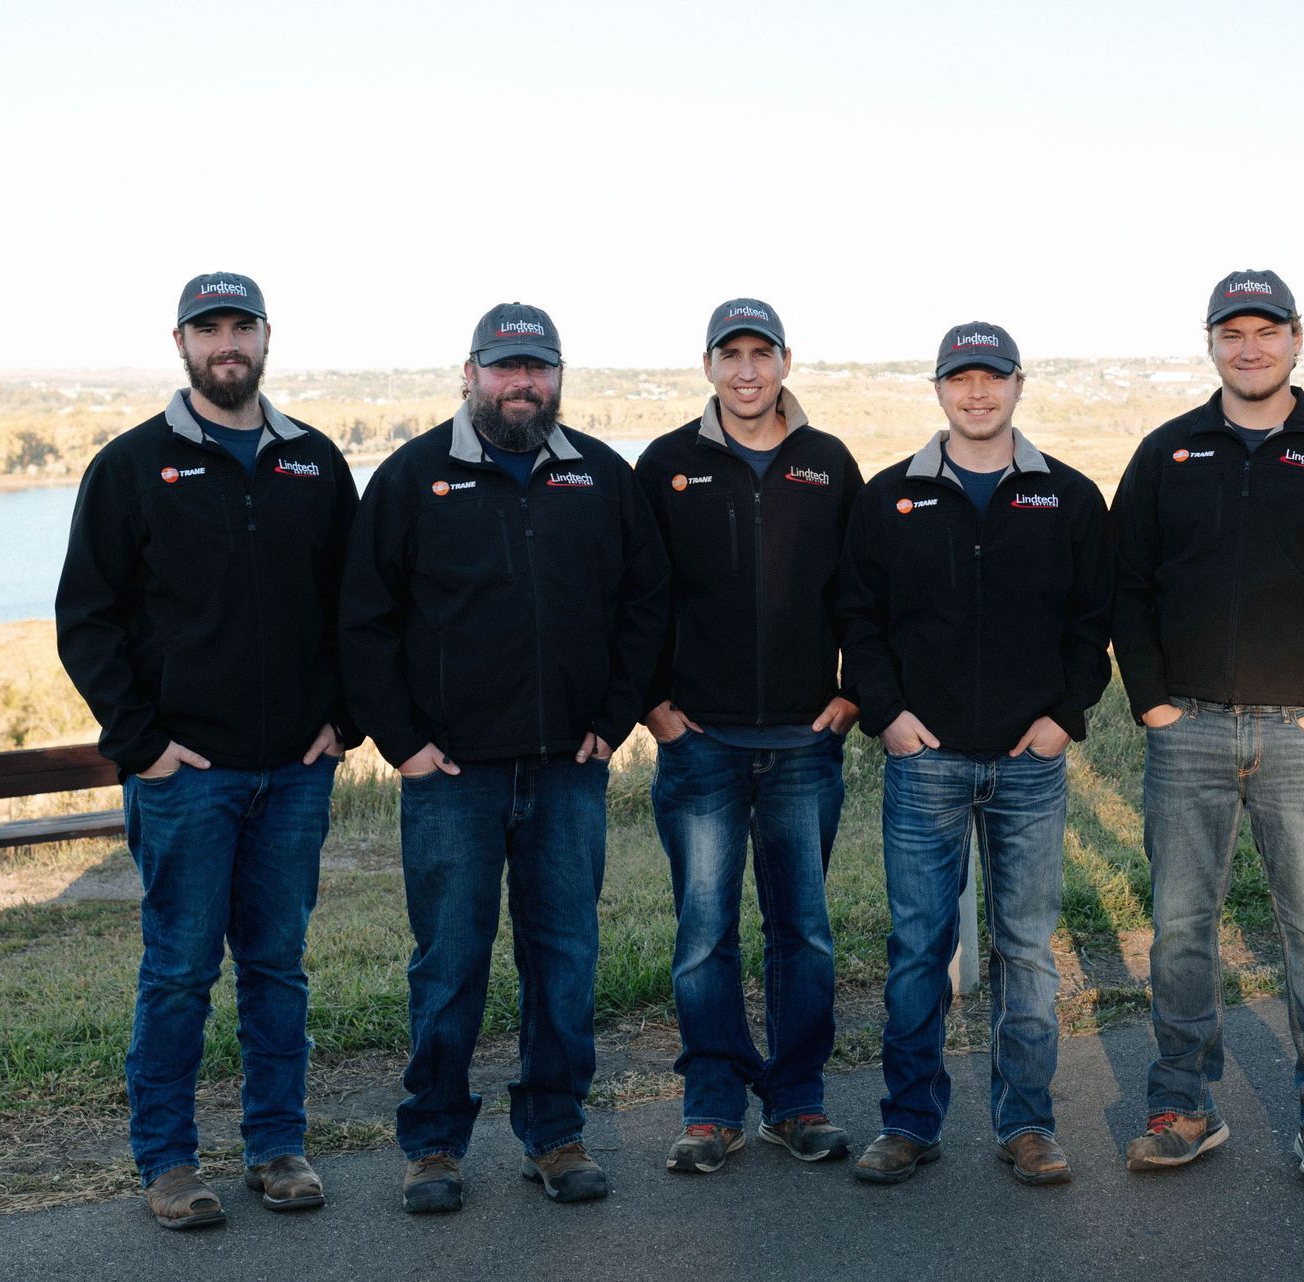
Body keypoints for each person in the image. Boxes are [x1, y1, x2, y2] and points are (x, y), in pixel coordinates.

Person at [340, 303, 668, 1213]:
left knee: (565, 956)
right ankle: (435, 1143)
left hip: (570, 769)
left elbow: (646, 604)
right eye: (504, 367)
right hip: (451, 777)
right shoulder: (413, 479)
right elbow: (363, 624)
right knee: (449, 962)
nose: (522, 384)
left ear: (559, 376)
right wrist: (402, 744)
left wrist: (615, 713)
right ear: (470, 372)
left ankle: (556, 1134)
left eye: (538, 368)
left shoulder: (600, 477)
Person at [56, 272, 357, 1229]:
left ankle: (278, 1148)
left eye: (241, 328)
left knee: (277, 966)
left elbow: (360, 607)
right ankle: (171, 1166)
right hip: (187, 776)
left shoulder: (313, 461)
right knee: (180, 971)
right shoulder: (134, 464)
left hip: (294, 774)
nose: (226, 344)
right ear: (181, 344)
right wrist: (140, 743)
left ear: (267, 337)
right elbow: (87, 619)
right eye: (208, 330)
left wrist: (343, 722)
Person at [1111, 269, 1304, 1190]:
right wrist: (1152, 701)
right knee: (1180, 928)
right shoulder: (1168, 453)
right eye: (1231, 332)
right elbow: (1126, 586)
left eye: (1265, 330)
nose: (1250, 347)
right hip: (1185, 731)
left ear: (1296, 339)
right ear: (1210, 345)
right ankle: (1183, 1105)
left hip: (1300, 738)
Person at [838, 321, 1113, 1186]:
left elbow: (1091, 623)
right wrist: (887, 716)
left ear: (1019, 385)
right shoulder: (891, 499)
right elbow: (859, 621)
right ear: (940, 390)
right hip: (926, 761)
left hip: (1031, 761)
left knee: (1025, 949)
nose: (978, 392)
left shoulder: (1066, 496)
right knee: (920, 947)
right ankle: (910, 1123)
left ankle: (1026, 1123)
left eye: (993, 377)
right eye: (961, 378)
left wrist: (1066, 716)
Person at [634, 299, 864, 1174]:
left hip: (807, 743)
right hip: (701, 745)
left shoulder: (828, 464)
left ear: (785, 362)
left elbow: (864, 593)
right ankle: (712, 1107)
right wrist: (654, 707)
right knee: (704, 934)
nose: (745, 371)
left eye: (759, 354)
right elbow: (635, 596)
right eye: (728, 355)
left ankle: (797, 1102)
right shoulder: (667, 465)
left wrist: (852, 700)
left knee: (801, 930)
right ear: (708, 367)